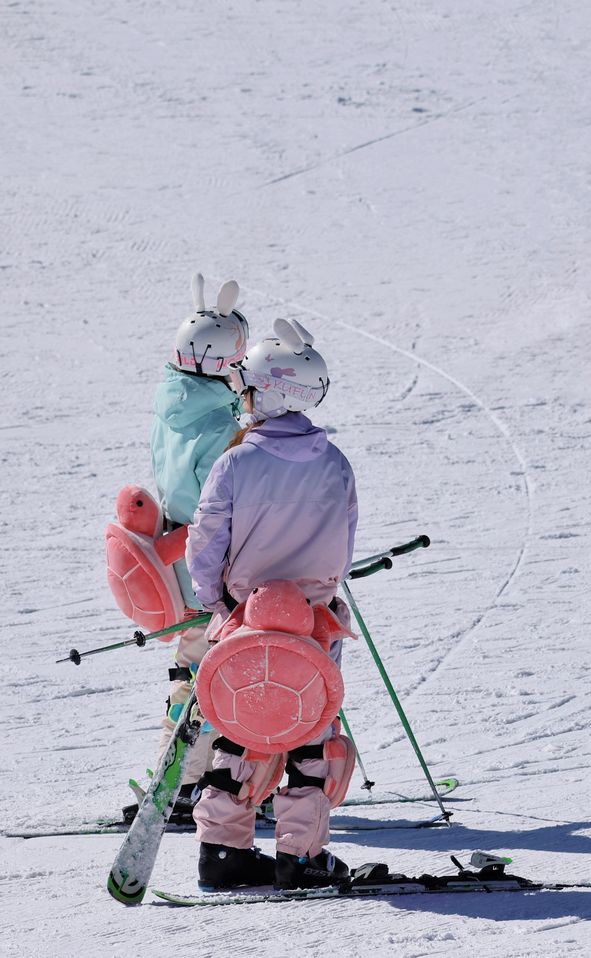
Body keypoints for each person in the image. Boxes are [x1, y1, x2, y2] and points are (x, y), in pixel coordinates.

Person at [186, 317, 358, 891]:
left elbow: (206, 541)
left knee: (240, 726)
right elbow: (343, 543)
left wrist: (215, 602)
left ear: (272, 392)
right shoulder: (335, 464)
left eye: (251, 389)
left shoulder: (236, 462)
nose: (245, 399)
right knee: (309, 728)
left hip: (245, 619)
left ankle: (223, 851)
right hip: (312, 625)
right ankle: (301, 856)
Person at [124, 273, 248, 823]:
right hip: (209, 556)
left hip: (175, 546)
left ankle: (174, 776)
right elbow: (222, 499)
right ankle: (186, 784)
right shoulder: (221, 424)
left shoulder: (168, 405)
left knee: (190, 662)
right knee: (215, 667)